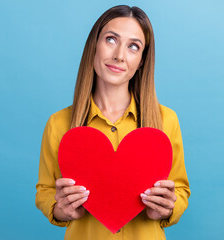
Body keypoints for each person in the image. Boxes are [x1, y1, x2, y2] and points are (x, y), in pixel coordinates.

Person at [36, 5, 190, 240]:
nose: (119, 55)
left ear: (141, 61)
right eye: (111, 39)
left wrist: (168, 207)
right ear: (93, 46)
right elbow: (45, 190)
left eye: (133, 46)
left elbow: (180, 190)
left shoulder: (166, 121)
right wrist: (60, 209)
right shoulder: (59, 124)